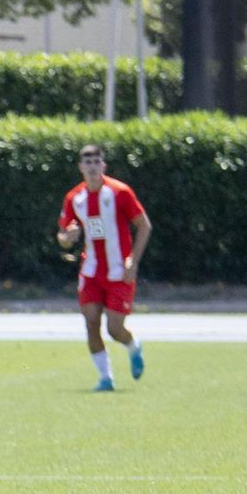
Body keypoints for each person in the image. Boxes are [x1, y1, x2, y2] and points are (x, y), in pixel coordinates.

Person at [56, 143, 151, 391]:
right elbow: (63, 235)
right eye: (87, 163)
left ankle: (133, 346)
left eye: (96, 162)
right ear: (81, 167)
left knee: (115, 328)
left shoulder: (119, 192)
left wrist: (133, 261)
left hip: (119, 271)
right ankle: (105, 378)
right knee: (91, 322)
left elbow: (144, 225)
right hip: (91, 270)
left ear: (103, 166)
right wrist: (67, 237)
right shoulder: (74, 198)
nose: (92, 167)